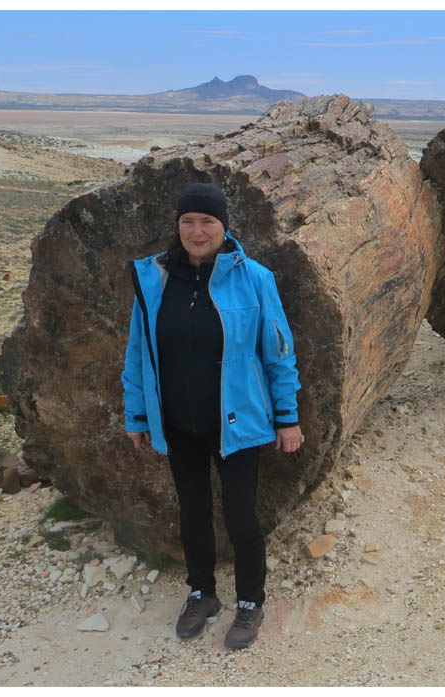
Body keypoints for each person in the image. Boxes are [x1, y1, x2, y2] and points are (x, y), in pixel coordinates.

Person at [121, 182, 303, 650]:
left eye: (207, 221)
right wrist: (137, 415)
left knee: (242, 517)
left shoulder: (254, 278)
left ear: (224, 227)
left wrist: (288, 417)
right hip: (178, 423)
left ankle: (250, 603)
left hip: (238, 423)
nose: (196, 230)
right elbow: (139, 352)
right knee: (193, 514)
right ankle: (201, 594)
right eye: (188, 221)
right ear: (178, 225)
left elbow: (278, 351)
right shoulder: (155, 279)